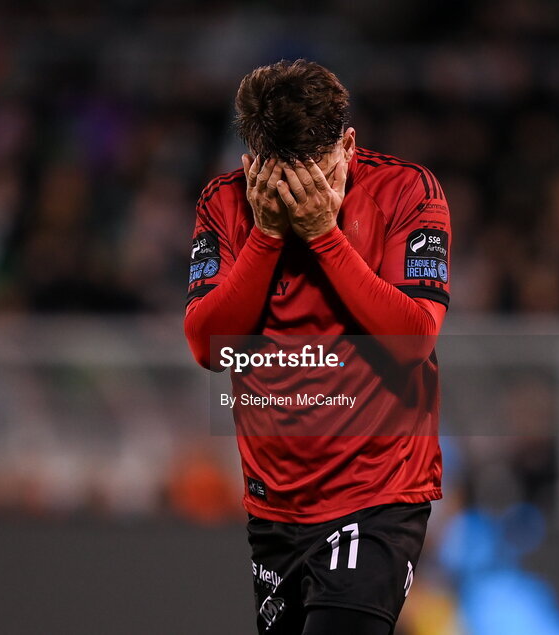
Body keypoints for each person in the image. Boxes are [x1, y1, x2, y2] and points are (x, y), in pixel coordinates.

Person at [184, 60, 452, 635]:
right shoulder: (225, 203)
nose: (299, 193)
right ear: (250, 163)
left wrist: (324, 238)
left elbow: (413, 339)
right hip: (274, 503)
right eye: (281, 178)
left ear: (349, 146)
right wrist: (268, 234)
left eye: (317, 172)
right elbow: (209, 344)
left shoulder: (407, 192)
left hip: (377, 491)